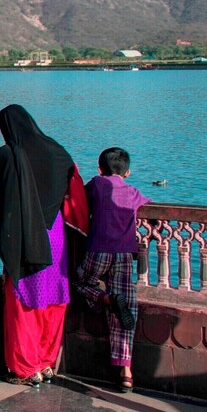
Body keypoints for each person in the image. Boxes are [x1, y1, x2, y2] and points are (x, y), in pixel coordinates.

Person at [0, 104, 85, 388]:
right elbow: (75, 192)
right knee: (51, 298)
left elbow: (3, 200)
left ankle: (24, 367)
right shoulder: (57, 152)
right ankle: (46, 363)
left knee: (24, 300)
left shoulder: (8, 154)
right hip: (55, 233)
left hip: (26, 235)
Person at [74, 147, 149, 393]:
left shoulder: (96, 184)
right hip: (125, 254)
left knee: (79, 283)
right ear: (128, 172)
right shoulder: (133, 192)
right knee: (127, 309)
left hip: (98, 250)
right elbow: (149, 209)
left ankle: (105, 298)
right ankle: (126, 372)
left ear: (99, 169)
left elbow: (80, 201)